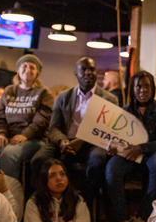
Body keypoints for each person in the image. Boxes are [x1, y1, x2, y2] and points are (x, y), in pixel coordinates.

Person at [106, 70, 156, 222]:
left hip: (153, 152)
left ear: (152, 88)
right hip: (128, 154)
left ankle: (143, 216)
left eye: (147, 86)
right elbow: (116, 138)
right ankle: (123, 220)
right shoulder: (124, 111)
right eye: (139, 86)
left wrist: (142, 148)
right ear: (132, 89)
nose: (143, 90)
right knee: (111, 169)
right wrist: (112, 147)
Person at [37, 56, 117, 203]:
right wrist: (62, 142)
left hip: (93, 144)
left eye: (92, 69)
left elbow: (109, 132)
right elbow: (53, 128)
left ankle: (83, 204)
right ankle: (43, 202)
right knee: (38, 159)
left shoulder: (110, 99)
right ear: (76, 73)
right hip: (65, 141)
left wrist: (81, 141)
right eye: (84, 69)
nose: (88, 73)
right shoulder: (63, 97)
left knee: (97, 160)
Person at [0, 54, 53, 179]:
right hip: (9, 137)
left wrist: (25, 135)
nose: (28, 70)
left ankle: (10, 193)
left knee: (9, 154)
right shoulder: (9, 91)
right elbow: (0, 117)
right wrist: (1, 133)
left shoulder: (44, 92)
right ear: (18, 70)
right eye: (24, 66)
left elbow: (41, 121)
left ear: (37, 73)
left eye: (32, 67)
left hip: (34, 139)